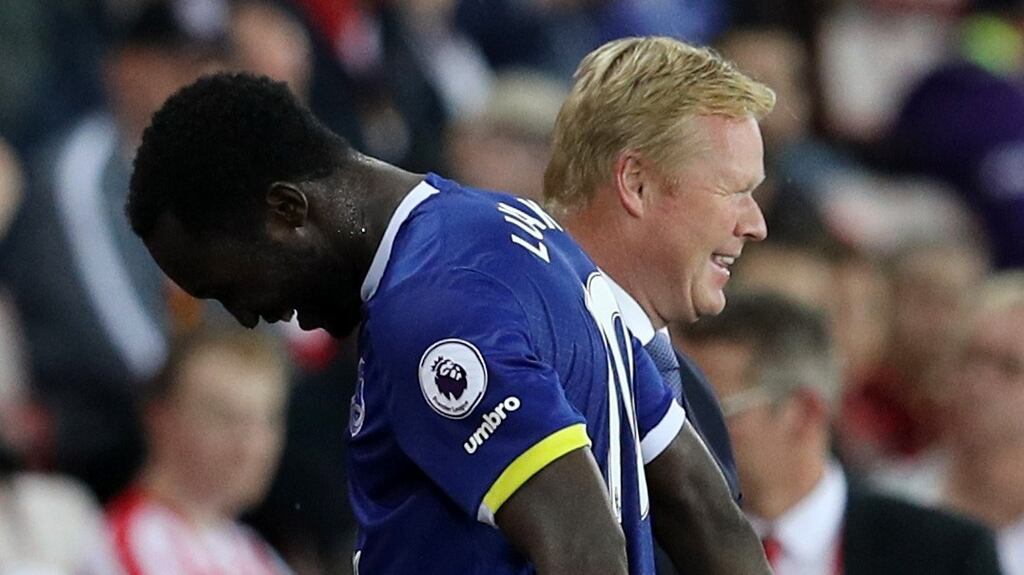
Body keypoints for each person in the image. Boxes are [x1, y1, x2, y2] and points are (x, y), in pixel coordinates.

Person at [125, 71, 769, 574]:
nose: (245, 315)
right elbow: (705, 512)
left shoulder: (430, 309)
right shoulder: (504, 227)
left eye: (230, 285)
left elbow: (581, 542)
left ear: (288, 211)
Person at [543, 36, 772, 505]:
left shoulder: (694, 397)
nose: (756, 225)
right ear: (636, 183)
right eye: (733, 191)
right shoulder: (522, 356)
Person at [677, 290, 1004, 575]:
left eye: (714, 411)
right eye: (679, 411)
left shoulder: (945, 554)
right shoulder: (665, 540)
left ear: (803, 413)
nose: (688, 431)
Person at [106, 327, 291, 575]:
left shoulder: (252, 551)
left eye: (267, 421)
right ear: (161, 419)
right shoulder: (134, 543)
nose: (253, 446)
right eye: (226, 419)